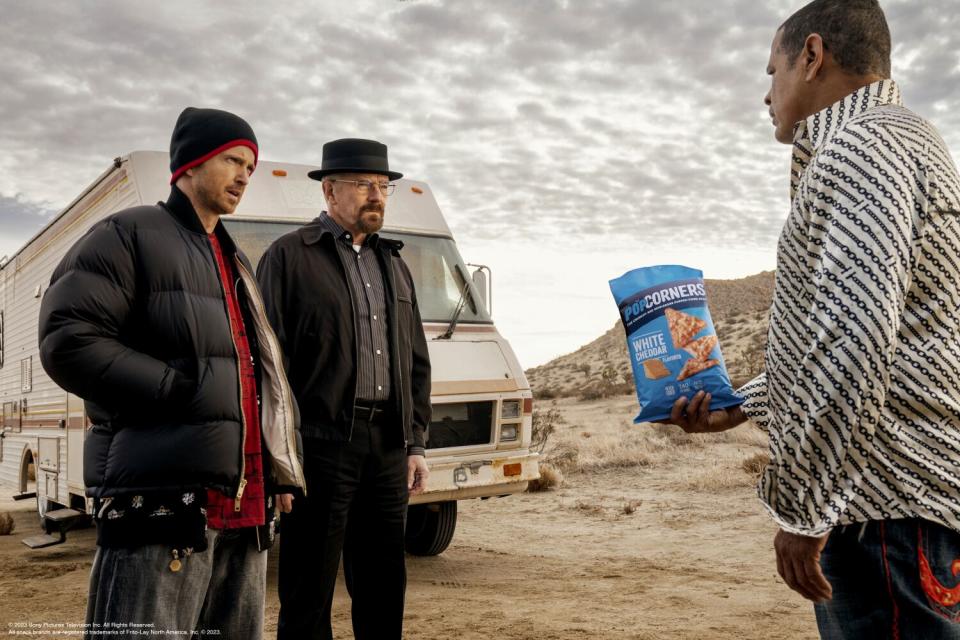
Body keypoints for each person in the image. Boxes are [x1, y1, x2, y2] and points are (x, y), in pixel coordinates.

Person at [667, 0, 960, 637]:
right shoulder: (900, 139)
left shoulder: (862, 148)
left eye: (771, 71)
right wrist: (738, 404)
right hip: (896, 500)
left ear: (812, 56)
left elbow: (854, 341)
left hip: (881, 501)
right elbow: (848, 330)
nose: (765, 94)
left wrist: (807, 510)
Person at [38, 107, 305, 640]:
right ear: (189, 164)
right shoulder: (128, 234)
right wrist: (173, 387)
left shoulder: (234, 261)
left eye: (250, 167)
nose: (244, 177)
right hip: (160, 505)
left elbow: (258, 377)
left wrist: (278, 471)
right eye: (233, 160)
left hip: (242, 510)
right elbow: (67, 338)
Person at [257, 138, 431, 640]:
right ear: (330, 190)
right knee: (308, 590)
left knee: (383, 586)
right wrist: (280, 459)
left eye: (383, 186)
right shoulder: (289, 256)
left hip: (386, 449)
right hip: (321, 446)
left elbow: (415, 361)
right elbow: (269, 365)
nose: (376, 195)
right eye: (363, 185)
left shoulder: (393, 264)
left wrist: (415, 443)